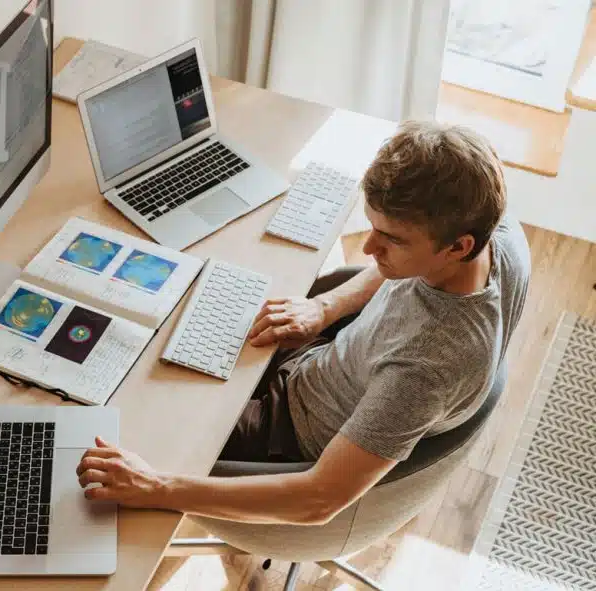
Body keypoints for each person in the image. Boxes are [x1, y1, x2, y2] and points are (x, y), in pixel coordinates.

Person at [76, 121, 531, 525]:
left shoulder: (428, 368)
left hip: (288, 439)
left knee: (122, 419)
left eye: (391, 240)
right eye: (371, 227)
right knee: (173, 319)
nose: (369, 249)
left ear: (457, 246)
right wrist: (325, 309)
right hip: (324, 363)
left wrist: (157, 489)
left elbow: (318, 499)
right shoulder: (494, 230)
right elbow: (394, 267)